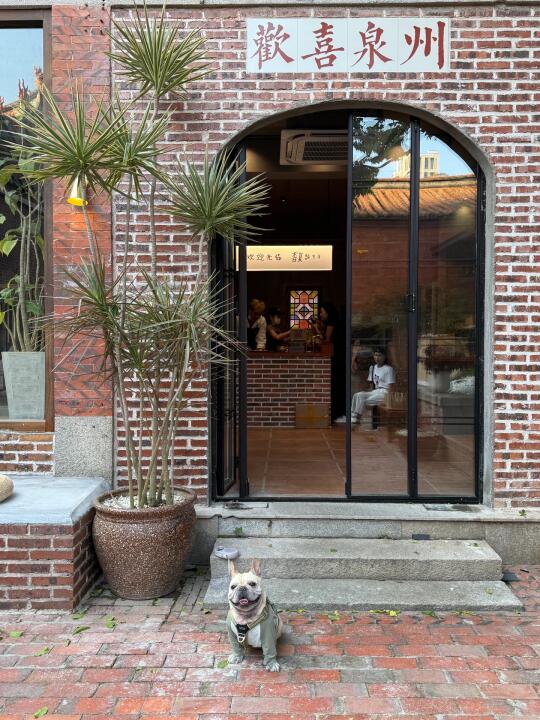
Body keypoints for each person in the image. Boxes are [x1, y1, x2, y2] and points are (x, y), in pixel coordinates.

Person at [335, 347, 395, 424]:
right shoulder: (372, 368)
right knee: (358, 395)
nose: (377, 358)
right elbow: (369, 383)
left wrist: (389, 400)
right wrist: (364, 389)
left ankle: (356, 418)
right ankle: (352, 416)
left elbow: (391, 386)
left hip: (385, 392)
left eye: (379, 355)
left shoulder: (388, 369)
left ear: (384, 357)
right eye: (376, 355)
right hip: (376, 391)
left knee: (364, 400)